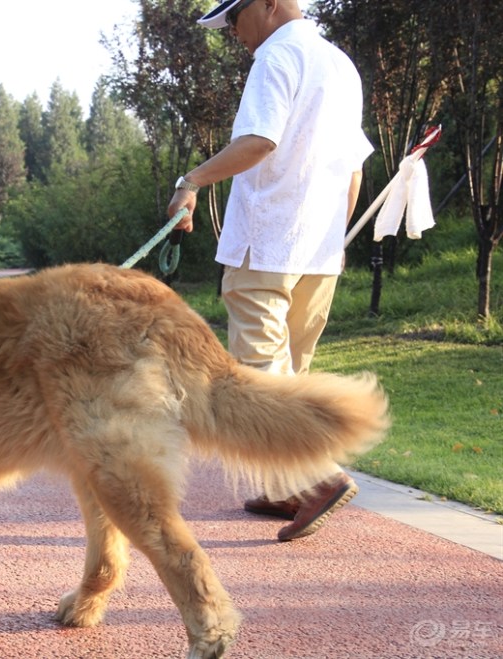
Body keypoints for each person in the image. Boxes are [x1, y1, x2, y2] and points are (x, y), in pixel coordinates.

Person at [166, 0, 373, 541]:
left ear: (268, 4)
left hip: (267, 243)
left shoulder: (276, 57)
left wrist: (191, 181)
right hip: (319, 249)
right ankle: (286, 488)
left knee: (256, 376)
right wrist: (333, 236)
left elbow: (260, 141)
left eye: (234, 18)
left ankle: (315, 478)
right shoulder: (339, 63)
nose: (233, 32)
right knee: (290, 374)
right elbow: (353, 169)